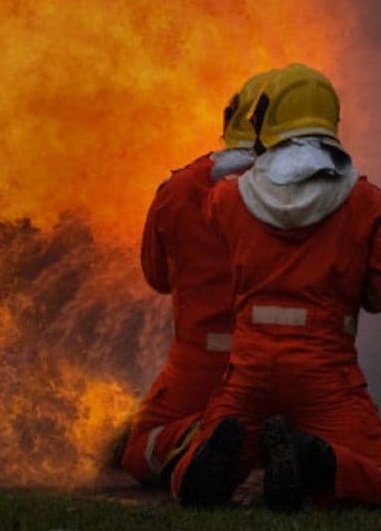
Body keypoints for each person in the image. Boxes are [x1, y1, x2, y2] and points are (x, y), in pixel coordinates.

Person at [170, 63, 381, 510]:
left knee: (193, 466)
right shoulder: (363, 200)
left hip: (251, 371)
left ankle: (208, 467)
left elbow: (210, 214)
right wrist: (364, 286)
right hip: (325, 376)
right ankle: (314, 459)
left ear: (267, 121)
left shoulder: (229, 200)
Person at [119, 70, 276, 486]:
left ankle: (194, 435)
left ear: (230, 122)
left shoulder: (178, 189)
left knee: (142, 449)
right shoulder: (312, 192)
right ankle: (282, 448)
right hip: (283, 363)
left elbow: (157, 277)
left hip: (201, 363)